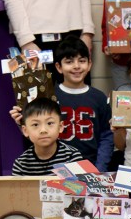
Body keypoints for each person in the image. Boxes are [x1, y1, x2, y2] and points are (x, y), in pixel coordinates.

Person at [10, 36, 113, 169]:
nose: (76, 66)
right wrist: (21, 122)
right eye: (69, 62)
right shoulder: (47, 97)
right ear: (58, 67)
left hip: (91, 168)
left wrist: (99, 168)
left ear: (89, 65)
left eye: (82, 61)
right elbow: (37, 132)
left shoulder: (99, 98)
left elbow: (106, 137)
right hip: (53, 169)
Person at [12, 97, 83, 175]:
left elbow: (79, 186)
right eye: (35, 124)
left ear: (60, 127)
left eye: (50, 123)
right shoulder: (21, 164)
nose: (43, 130)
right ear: (25, 131)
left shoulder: (72, 157)